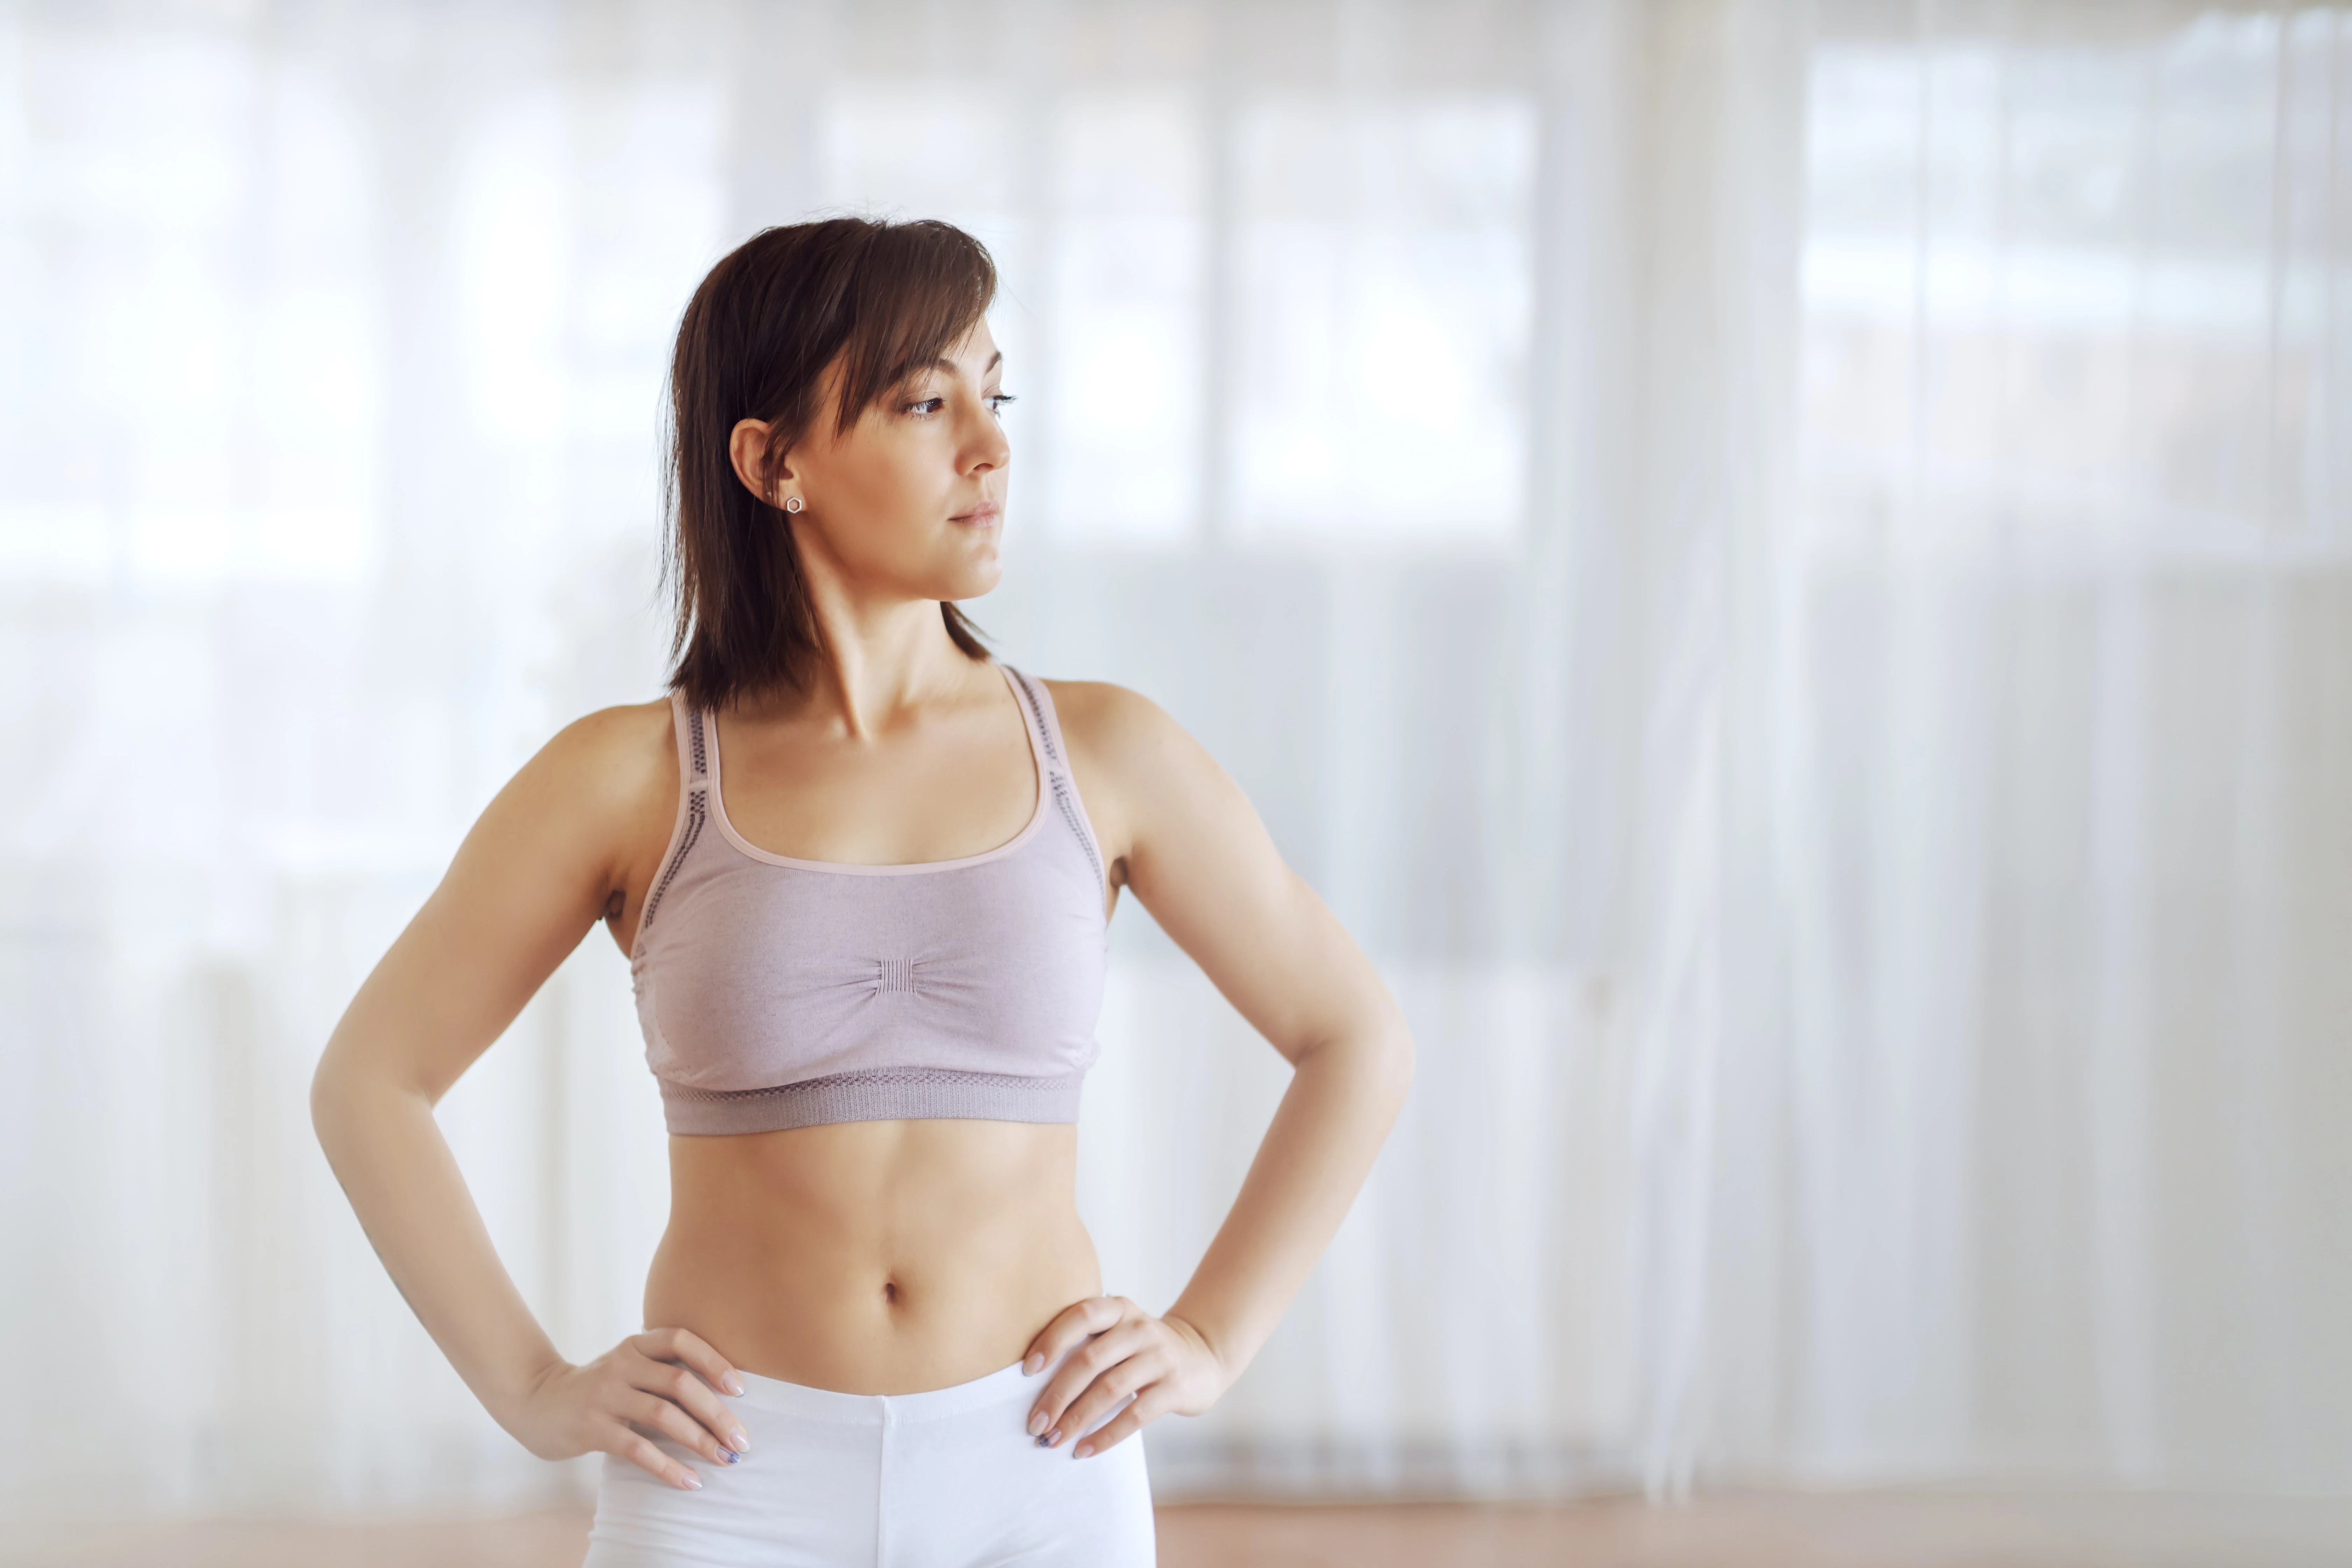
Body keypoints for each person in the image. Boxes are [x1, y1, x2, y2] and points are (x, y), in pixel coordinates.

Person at [309, 216, 1415, 1567]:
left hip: (1043, 1469)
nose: (991, 447)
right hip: (727, 1480)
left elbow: (1353, 1037)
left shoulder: (1108, 753)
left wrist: (1207, 1338)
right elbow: (371, 1079)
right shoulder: (629, 778)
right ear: (773, 462)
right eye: (923, 401)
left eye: (993, 395)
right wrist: (532, 1389)